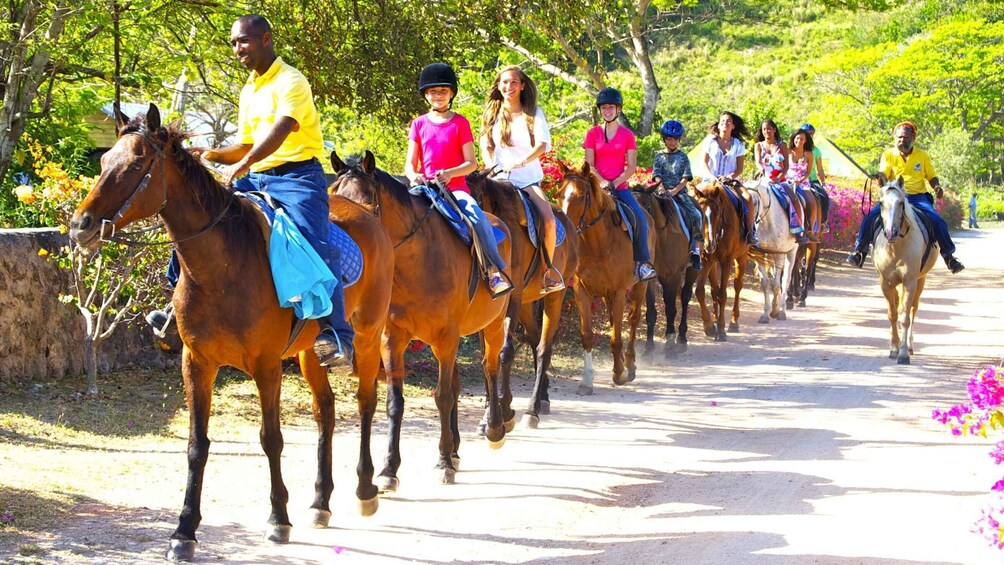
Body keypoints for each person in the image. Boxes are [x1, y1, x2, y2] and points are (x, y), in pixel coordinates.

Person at [146, 14, 354, 365]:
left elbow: (283, 128)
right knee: (194, 217)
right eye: (233, 42)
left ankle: (337, 334)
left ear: (266, 38)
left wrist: (242, 165)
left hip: (297, 178)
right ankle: (172, 307)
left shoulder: (292, 80)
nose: (237, 48)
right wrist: (211, 153)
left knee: (312, 240)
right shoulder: (249, 88)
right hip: (254, 175)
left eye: (243, 40)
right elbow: (245, 143)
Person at [405, 62, 512, 297]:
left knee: (478, 219)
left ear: (451, 93)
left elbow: (471, 163)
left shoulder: (460, 123)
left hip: (455, 189)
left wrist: (450, 173)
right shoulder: (418, 124)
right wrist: (416, 177)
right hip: (425, 189)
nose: (438, 96)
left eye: (442, 91)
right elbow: (409, 166)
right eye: (433, 91)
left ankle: (493, 271)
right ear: (426, 95)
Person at [480, 65, 564, 294]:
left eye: (514, 82)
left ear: (523, 85)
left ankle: (548, 272)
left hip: (527, 180)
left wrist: (520, 162)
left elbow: (542, 145)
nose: (509, 87)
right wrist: (491, 167)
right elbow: (486, 145)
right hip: (497, 180)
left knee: (547, 220)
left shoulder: (533, 113)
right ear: (498, 85)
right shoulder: (492, 114)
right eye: (505, 82)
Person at [846, 122, 964, 274]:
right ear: (895, 137)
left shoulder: (922, 155)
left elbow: (932, 176)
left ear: (913, 138)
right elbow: (884, 173)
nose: (902, 140)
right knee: (870, 217)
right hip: (894, 196)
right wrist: (880, 176)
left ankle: (949, 257)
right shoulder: (888, 155)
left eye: (905, 137)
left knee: (937, 221)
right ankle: (859, 251)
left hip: (917, 197)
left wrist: (936, 187)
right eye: (899, 137)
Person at [583, 87, 656, 282]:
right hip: (596, 188)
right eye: (604, 107)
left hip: (620, 189)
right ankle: (572, 264)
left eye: (611, 107)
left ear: (619, 110)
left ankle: (641, 264)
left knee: (640, 219)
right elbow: (589, 165)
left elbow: (631, 167)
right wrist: (602, 182)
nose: (607, 111)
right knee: (574, 214)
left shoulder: (627, 136)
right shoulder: (592, 134)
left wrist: (614, 183)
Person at [652, 119, 702, 270]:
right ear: (664, 139)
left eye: (674, 139)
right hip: (661, 192)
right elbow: (656, 175)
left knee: (696, 215)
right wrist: (661, 187)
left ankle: (696, 251)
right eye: (669, 139)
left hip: (679, 193)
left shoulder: (683, 157)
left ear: (679, 140)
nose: (672, 142)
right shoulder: (659, 156)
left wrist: (674, 191)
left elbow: (685, 178)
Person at [702, 111, 757, 245]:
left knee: (748, 198)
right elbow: (704, 162)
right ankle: (693, 234)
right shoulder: (710, 141)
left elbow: (739, 168)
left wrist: (729, 177)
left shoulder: (738, 144)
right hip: (710, 180)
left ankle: (749, 232)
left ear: (733, 126)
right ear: (718, 125)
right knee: (693, 198)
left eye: (728, 121)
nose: (725, 123)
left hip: (730, 181)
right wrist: (712, 176)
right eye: (722, 121)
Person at [787, 128, 819, 242]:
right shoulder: (787, 151)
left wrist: (799, 180)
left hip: (802, 182)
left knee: (812, 203)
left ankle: (809, 230)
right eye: (797, 138)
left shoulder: (809, 154)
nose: (799, 141)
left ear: (805, 140)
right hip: (787, 181)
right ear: (793, 139)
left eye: (801, 139)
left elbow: (808, 172)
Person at [802, 123, 831, 232]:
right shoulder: (797, 148)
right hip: (796, 179)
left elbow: (820, 168)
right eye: (807, 134)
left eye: (812, 134)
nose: (810, 136)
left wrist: (823, 182)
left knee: (824, 197)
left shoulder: (816, 150)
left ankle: (823, 222)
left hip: (812, 180)